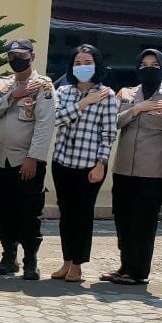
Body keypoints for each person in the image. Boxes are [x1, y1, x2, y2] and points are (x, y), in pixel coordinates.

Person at [102, 49, 162, 286]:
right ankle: (125, 266)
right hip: (123, 169)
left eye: (154, 65)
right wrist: (137, 109)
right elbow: (112, 122)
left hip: (152, 171)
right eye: (144, 64)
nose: (149, 68)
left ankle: (138, 272)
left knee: (144, 222)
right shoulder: (125, 94)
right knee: (122, 218)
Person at [0, 39, 55, 281]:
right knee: (2, 211)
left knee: (28, 213)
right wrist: (13, 95)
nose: (16, 60)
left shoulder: (43, 85)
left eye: (21, 56)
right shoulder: (2, 84)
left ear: (32, 57)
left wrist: (33, 157)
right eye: (12, 56)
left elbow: (45, 124)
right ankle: (8, 257)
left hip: (26, 160)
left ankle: (30, 261)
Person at [50, 44, 118, 283]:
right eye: (77, 63)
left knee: (82, 215)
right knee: (66, 213)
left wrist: (101, 163)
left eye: (87, 62)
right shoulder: (63, 91)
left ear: (97, 65)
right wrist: (84, 102)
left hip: (90, 165)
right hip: (62, 161)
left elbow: (108, 133)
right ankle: (66, 260)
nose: (82, 67)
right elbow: (55, 118)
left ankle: (78, 265)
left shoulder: (107, 95)